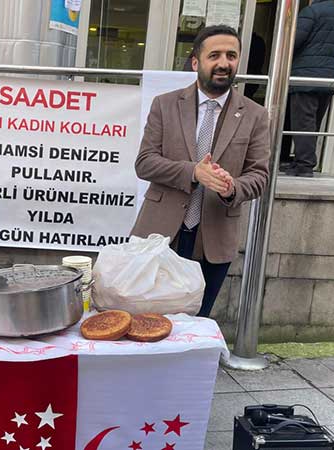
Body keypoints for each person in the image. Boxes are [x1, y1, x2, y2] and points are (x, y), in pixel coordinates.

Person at [131, 25, 270, 318]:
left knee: (197, 322)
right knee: (149, 318)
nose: (224, 63)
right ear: (196, 62)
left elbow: (259, 176)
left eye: (231, 55)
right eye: (214, 55)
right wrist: (193, 172)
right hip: (161, 233)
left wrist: (232, 188)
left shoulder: (255, 115)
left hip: (214, 238)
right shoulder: (165, 104)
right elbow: (144, 162)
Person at [281, 0, 334, 177]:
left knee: (302, 123)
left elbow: (293, 41)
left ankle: (304, 165)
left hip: (305, 77)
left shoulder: (311, 12)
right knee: (313, 124)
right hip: (328, 78)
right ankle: (299, 161)